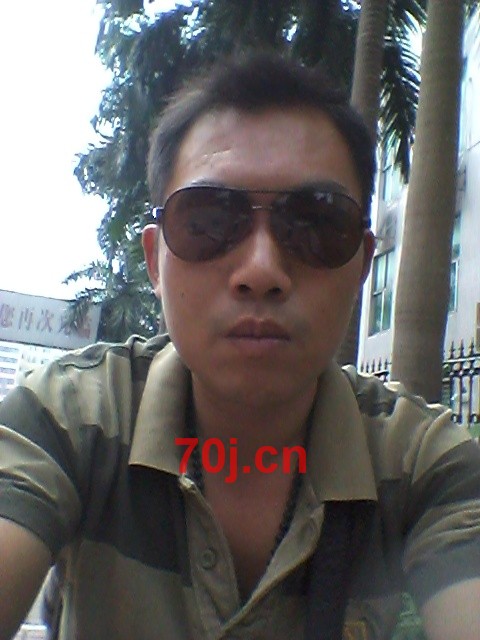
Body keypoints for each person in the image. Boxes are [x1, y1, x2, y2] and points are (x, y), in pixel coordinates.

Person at [0, 50, 479, 640]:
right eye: (207, 221)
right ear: (155, 260)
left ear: (360, 266)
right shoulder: (69, 422)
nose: (261, 270)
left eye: (315, 223)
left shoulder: (426, 466)